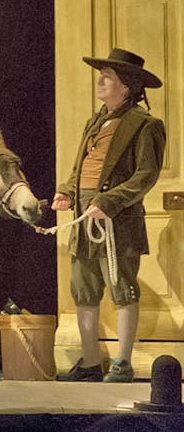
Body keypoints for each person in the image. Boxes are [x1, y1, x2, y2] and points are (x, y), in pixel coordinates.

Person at [52, 48, 164, 383]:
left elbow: (146, 175)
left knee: (122, 287)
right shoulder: (95, 121)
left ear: (127, 86)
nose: (100, 81)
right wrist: (67, 192)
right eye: (101, 75)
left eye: (109, 77)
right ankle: (89, 362)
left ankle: (122, 363)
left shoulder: (146, 125)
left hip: (118, 222)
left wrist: (110, 202)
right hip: (86, 220)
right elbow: (81, 169)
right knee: (83, 289)